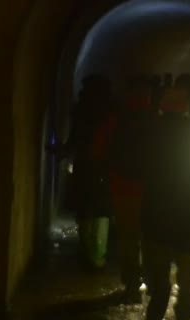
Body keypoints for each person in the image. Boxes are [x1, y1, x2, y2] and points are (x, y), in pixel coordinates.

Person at [141, 75, 190, 320]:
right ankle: (186, 312)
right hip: (187, 206)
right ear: (185, 106)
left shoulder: (151, 130)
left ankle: (156, 310)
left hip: (156, 207)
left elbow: (140, 167)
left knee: (158, 269)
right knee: (187, 268)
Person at [108, 75, 153, 304]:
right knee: (149, 236)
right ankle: (154, 281)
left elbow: (101, 149)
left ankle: (132, 285)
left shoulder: (116, 119)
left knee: (128, 238)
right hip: (150, 190)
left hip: (123, 187)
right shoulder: (156, 122)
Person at [68, 74, 115, 270]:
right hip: (103, 167)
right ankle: (97, 256)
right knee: (100, 211)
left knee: (86, 210)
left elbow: (75, 137)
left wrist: (64, 150)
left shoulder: (81, 109)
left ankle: (87, 252)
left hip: (86, 166)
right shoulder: (111, 111)